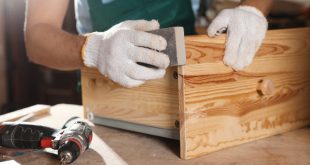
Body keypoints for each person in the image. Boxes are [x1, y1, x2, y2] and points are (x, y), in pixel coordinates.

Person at [25, 0, 273, 88]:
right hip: (108, 99)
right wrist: (93, 48)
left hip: (190, 85)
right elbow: (37, 36)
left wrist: (252, 9)